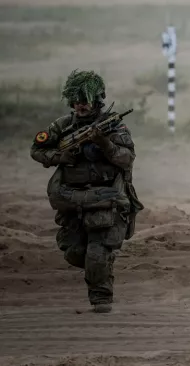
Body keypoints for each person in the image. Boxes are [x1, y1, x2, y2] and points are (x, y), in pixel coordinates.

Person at [30, 69, 143, 313]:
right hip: (71, 199)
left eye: (85, 100)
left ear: (97, 99)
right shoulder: (62, 126)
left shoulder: (113, 126)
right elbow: (37, 149)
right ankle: (99, 268)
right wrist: (60, 156)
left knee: (97, 253)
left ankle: (101, 298)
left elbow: (127, 158)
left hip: (105, 199)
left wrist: (104, 143)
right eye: (76, 100)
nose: (81, 105)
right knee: (73, 252)